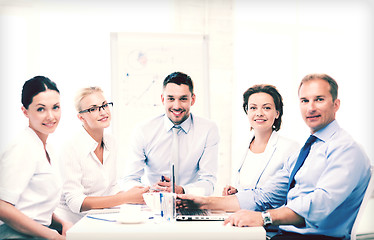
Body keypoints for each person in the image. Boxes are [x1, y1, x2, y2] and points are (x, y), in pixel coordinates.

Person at [178, 73, 371, 240]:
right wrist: (202, 202)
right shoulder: (306, 150)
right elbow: (265, 196)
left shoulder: (346, 150)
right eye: (304, 101)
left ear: (336, 104)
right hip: (285, 235)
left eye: (319, 99)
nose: (310, 107)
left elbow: (320, 203)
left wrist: (264, 218)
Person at [55, 87, 149, 224]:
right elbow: (75, 203)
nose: (103, 112)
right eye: (93, 109)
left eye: (104, 105)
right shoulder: (70, 147)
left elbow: (111, 187)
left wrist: (140, 194)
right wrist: (126, 198)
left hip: (99, 218)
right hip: (71, 224)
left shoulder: (111, 141)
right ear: (81, 117)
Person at [122, 72, 219, 195]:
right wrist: (151, 191)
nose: (177, 106)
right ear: (163, 99)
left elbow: (209, 182)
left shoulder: (208, 130)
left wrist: (182, 190)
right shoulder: (143, 130)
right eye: (171, 99)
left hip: (191, 203)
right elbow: (129, 179)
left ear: (192, 99)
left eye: (183, 99)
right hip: (153, 204)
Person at [0, 76, 72, 239]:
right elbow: (2, 207)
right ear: (25, 111)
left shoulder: (48, 149)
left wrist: (61, 224)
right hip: (14, 235)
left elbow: (34, 207)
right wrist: (52, 236)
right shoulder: (22, 147)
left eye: (55, 107)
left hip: (37, 233)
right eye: (41, 109)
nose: (51, 116)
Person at [223, 84, 299, 196]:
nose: (259, 113)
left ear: (277, 113)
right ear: (247, 111)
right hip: (241, 211)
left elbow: (292, 192)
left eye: (266, 108)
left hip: (271, 212)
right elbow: (245, 190)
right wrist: (235, 192)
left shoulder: (291, 148)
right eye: (253, 108)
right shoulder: (241, 148)